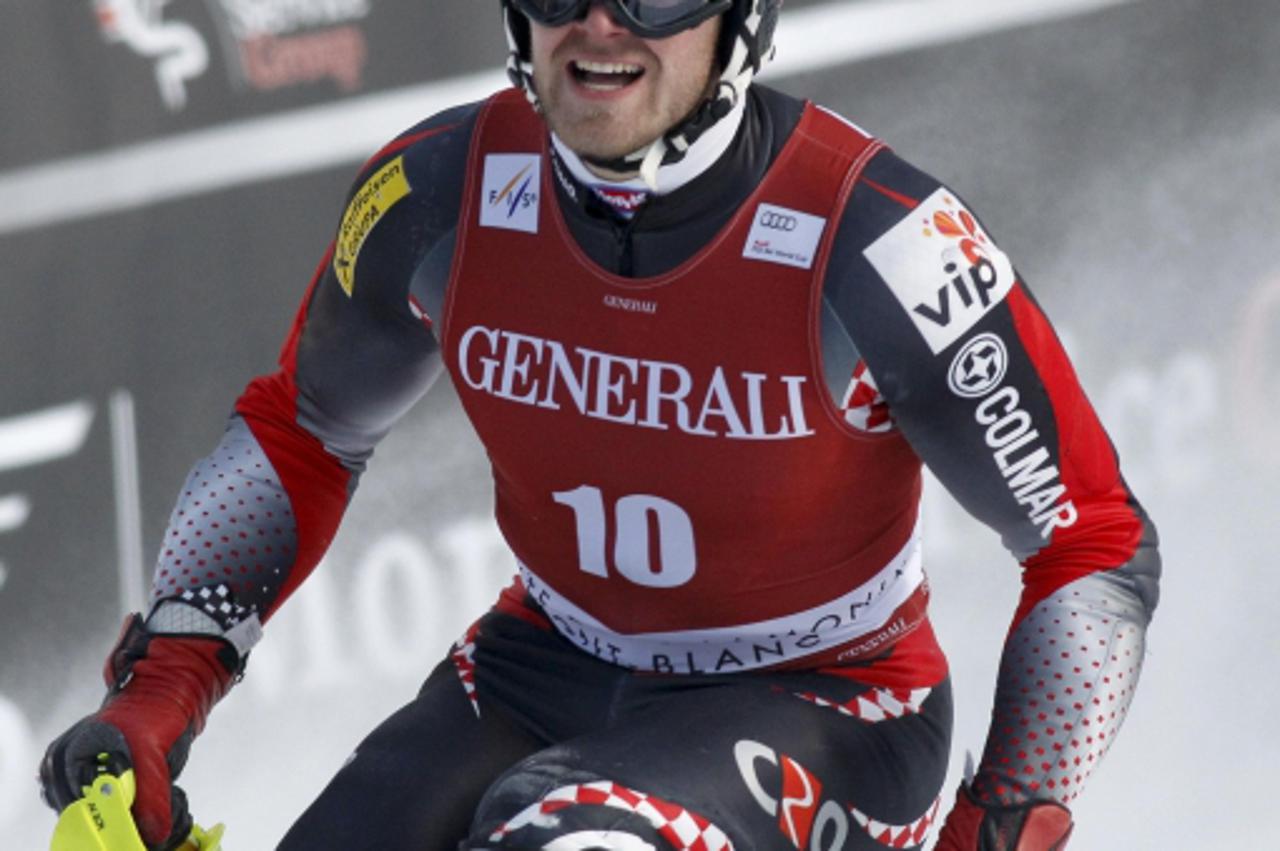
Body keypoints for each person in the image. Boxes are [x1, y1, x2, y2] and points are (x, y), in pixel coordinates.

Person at [39, 1, 1161, 848]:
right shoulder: (434, 192)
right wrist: (158, 694)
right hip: (542, 665)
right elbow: (300, 432)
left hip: (834, 700)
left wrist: (1000, 820)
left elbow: (1091, 545)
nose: (597, 23)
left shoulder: (884, 245)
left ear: (740, 18)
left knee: (566, 834)